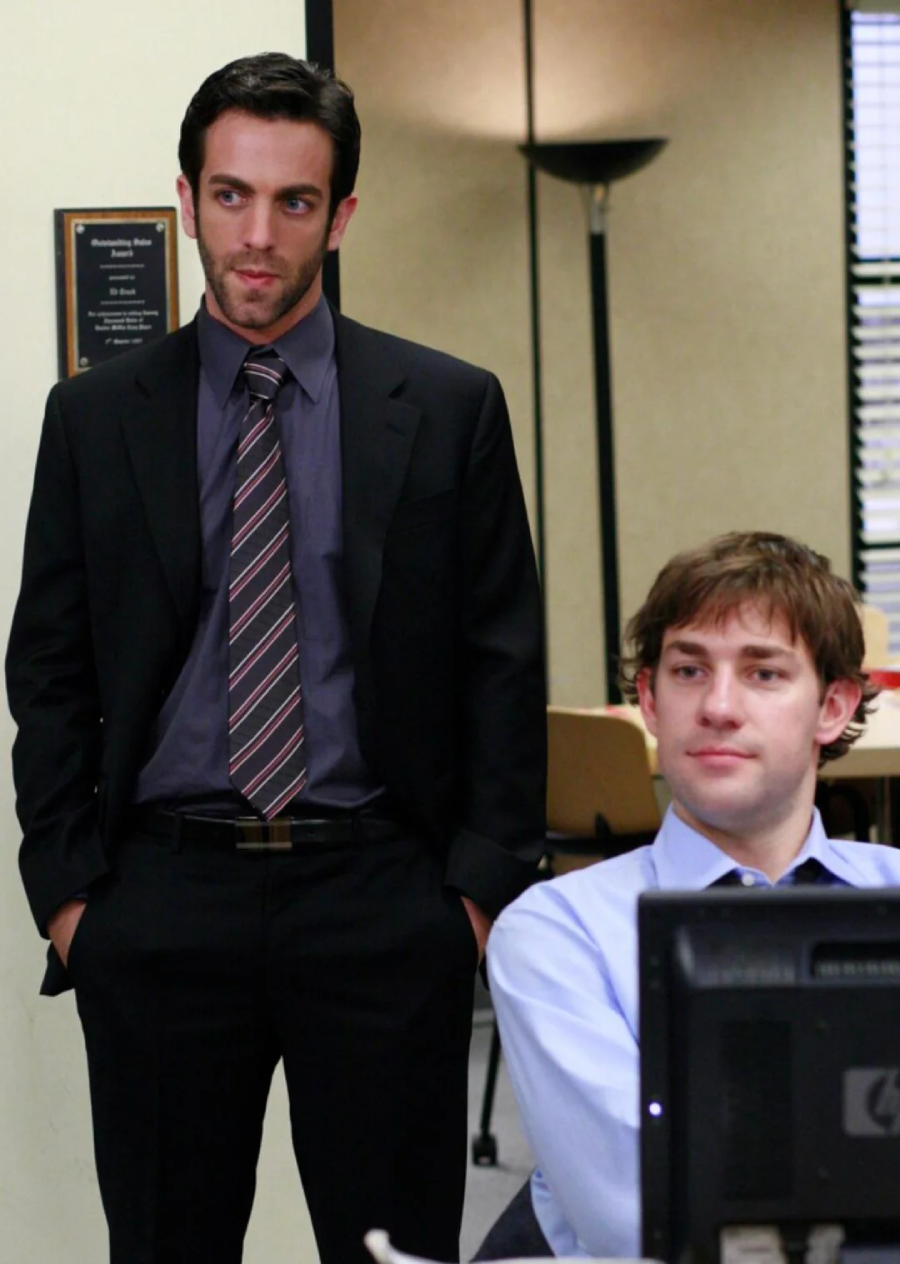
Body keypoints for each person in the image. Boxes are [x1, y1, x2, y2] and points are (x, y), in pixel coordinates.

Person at [6, 53, 546, 1264]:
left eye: (294, 202)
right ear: (189, 197)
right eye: (233, 195)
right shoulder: (94, 417)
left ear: (341, 214)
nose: (259, 235)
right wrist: (72, 898)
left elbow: (499, 661)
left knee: (388, 1250)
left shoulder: (449, 406)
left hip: (381, 905)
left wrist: (466, 899)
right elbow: (47, 670)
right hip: (158, 907)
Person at [486, 530, 900, 1260]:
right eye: (687, 670)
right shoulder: (558, 931)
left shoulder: (890, 893)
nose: (717, 707)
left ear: (833, 707)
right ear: (649, 698)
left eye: (764, 674)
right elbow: (640, 1217)